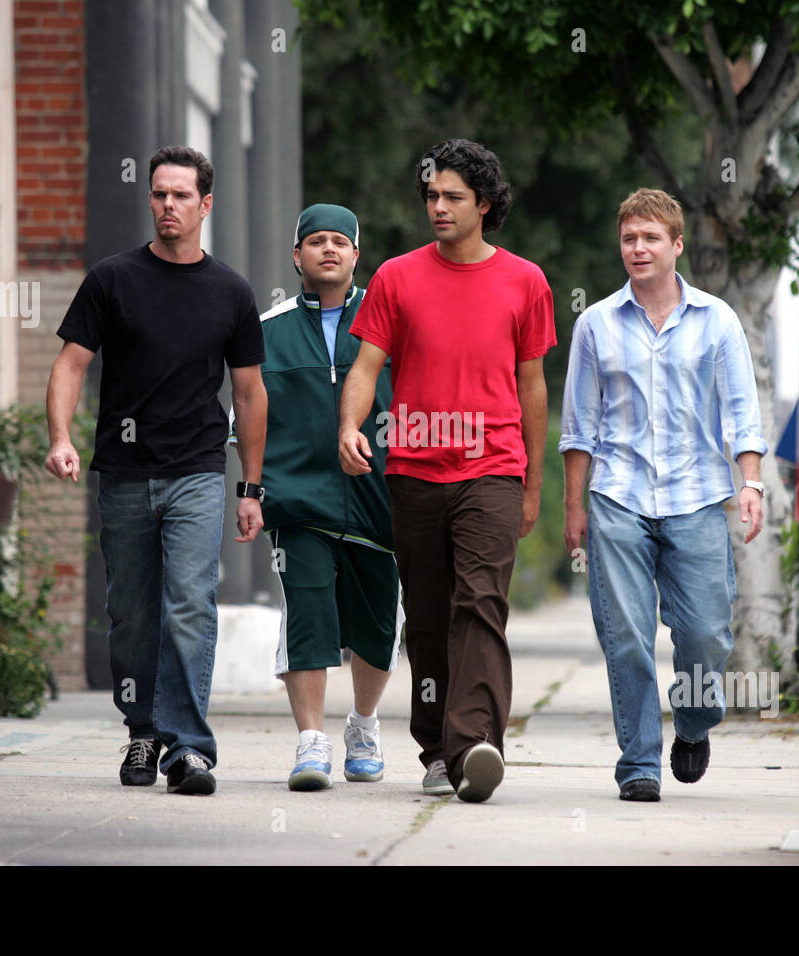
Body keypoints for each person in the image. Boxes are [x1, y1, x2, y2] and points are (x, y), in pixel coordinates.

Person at [45, 146, 267, 796]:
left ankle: (188, 750)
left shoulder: (230, 291)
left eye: (180, 195)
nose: (168, 205)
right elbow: (70, 365)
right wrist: (60, 437)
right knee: (132, 614)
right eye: (159, 194)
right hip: (123, 472)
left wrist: (250, 486)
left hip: (198, 469)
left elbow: (250, 394)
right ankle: (141, 728)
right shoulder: (113, 279)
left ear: (206, 204)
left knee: (191, 605)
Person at [339, 139, 555, 803]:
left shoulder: (526, 281)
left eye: (452, 196)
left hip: (491, 468)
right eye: (431, 195)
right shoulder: (398, 278)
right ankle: (436, 748)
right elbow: (367, 368)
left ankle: (475, 744)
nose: (437, 206)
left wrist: (532, 483)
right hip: (412, 471)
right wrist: (349, 425)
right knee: (428, 616)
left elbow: (533, 386)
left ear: (483, 205)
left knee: (480, 604)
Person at [560, 188, 767, 802]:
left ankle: (696, 722)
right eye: (629, 238)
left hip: (699, 496)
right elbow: (579, 427)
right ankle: (639, 762)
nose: (639, 248)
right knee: (624, 633)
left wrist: (750, 482)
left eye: (651, 237)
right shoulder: (595, 323)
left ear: (677, 245)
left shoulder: (717, 319)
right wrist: (575, 507)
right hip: (617, 496)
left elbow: (742, 413)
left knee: (706, 633)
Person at [253, 204, 402, 791]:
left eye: (341, 240)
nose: (329, 249)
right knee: (308, 614)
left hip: (378, 495)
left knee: (377, 620)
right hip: (299, 499)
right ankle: (310, 741)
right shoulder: (269, 329)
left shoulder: (390, 324)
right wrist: (252, 490)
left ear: (357, 255)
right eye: (316, 241)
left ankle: (363, 726)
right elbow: (249, 412)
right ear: (298, 256)